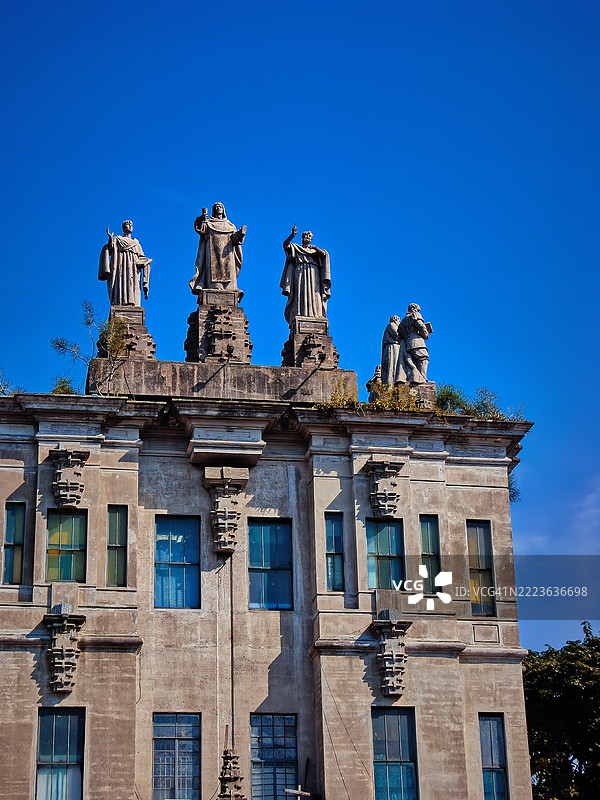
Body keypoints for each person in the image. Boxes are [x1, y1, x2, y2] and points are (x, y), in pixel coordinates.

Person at [189, 202, 246, 295]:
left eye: (220, 206)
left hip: (227, 253)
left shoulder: (230, 226)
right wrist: (201, 219)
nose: (218, 208)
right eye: (217, 207)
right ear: (213, 209)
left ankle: (229, 289)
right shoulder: (208, 223)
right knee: (213, 274)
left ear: (223, 210)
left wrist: (241, 234)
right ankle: (215, 288)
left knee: (228, 274)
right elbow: (200, 229)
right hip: (213, 252)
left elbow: (235, 239)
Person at [280, 226, 331, 326]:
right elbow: (285, 245)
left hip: (313, 272)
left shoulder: (315, 251)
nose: (307, 237)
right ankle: (299, 313)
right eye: (305, 236)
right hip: (300, 272)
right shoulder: (296, 248)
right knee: (300, 293)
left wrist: (316, 249)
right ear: (302, 238)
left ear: (311, 239)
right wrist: (292, 235)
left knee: (314, 293)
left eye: (309, 236)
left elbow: (325, 255)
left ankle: (316, 314)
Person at [98, 220, 151, 306]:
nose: (129, 226)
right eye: (127, 224)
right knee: (121, 284)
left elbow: (141, 256)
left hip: (134, 268)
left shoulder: (137, 244)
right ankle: (119, 302)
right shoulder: (118, 239)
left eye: (131, 225)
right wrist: (111, 239)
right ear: (123, 228)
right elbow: (110, 248)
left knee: (133, 285)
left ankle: (133, 303)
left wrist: (146, 262)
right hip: (121, 265)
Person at [398, 303, 430, 382]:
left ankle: (414, 377)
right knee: (423, 358)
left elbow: (399, 334)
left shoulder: (403, 321)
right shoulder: (415, 314)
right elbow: (420, 325)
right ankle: (422, 378)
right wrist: (426, 333)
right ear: (415, 308)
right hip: (416, 340)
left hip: (407, 342)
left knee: (412, 361)